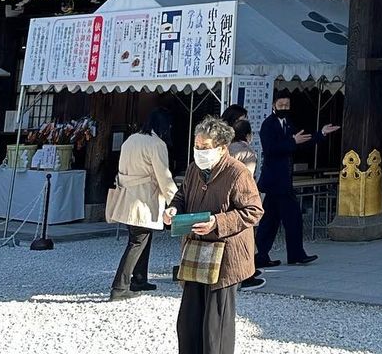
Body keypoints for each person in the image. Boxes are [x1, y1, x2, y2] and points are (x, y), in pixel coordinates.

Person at [164, 115, 263, 354]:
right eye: (197, 146)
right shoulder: (193, 169)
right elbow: (182, 196)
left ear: (221, 148)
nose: (199, 151)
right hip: (196, 251)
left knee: (214, 324)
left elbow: (254, 211)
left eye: (205, 147)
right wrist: (174, 209)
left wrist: (217, 222)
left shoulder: (237, 172)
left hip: (225, 255)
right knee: (188, 321)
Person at [254, 90, 338, 269]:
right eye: (281, 105)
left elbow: (301, 141)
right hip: (276, 181)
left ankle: (262, 255)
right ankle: (295, 254)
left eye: (287, 105)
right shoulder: (268, 125)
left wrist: (320, 134)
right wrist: (292, 141)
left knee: (271, 220)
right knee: (292, 218)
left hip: (282, 180)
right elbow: (270, 149)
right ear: (273, 105)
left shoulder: (287, 123)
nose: (284, 108)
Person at [106, 108, 178, 301]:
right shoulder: (156, 144)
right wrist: (176, 199)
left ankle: (139, 278)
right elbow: (164, 176)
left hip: (127, 195)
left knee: (141, 238)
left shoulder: (131, 139)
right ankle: (119, 287)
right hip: (144, 198)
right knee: (138, 241)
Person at [225, 113, 264, 291]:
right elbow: (247, 178)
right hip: (241, 198)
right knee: (246, 238)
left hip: (223, 197)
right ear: (249, 135)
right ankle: (246, 276)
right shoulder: (247, 152)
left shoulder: (225, 148)